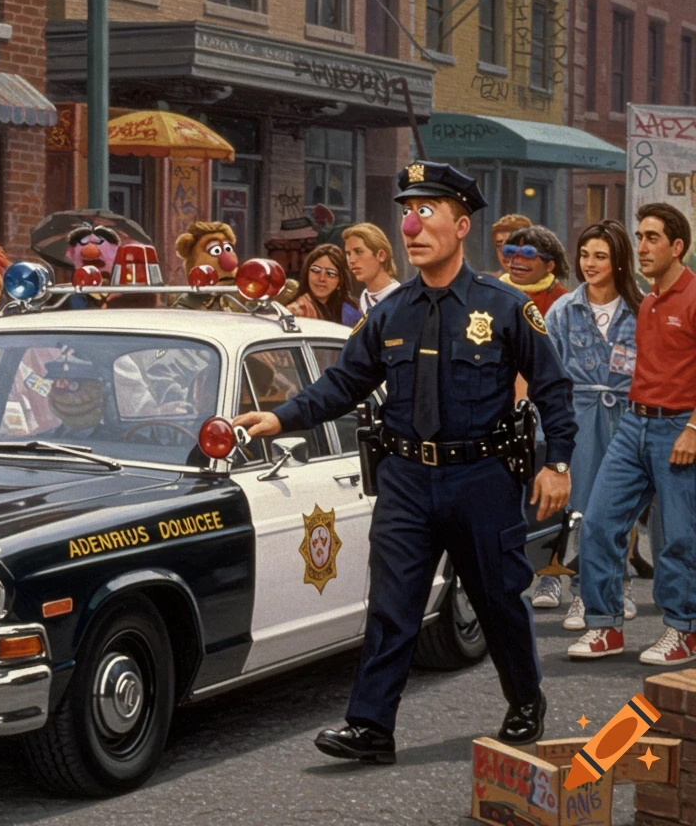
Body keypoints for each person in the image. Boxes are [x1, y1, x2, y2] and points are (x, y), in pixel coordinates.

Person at [235, 161, 575, 763]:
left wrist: (559, 464)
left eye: (426, 212)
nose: (411, 227)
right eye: (407, 215)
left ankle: (525, 701)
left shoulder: (503, 306)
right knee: (392, 607)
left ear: (461, 225)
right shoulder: (389, 314)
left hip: (481, 478)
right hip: (407, 480)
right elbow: (343, 383)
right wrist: (282, 417)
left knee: (498, 601)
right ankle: (370, 727)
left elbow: (552, 386)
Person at [568, 202, 696, 665]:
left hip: (678, 427)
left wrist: (693, 428)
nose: (641, 246)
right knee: (598, 522)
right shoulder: (648, 301)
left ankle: (684, 631)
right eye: (639, 236)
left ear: (677, 246)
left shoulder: (693, 296)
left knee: (678, 537)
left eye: (651, 238)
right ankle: (605, 626)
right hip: (633, 423)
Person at [533, 221, 644, 621]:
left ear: (619, 261)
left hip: (627, 417)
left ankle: (618, 585)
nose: (590, 263)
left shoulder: (641, 309)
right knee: (578, 508)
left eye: (600, 256)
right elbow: (546, 373)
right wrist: (546, 429)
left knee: (618, 508)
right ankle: (582, 590)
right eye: (584, 255)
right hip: (578, 416)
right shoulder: (564, 310)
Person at [501, 225, 570, 315]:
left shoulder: (562, 300)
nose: (517, 260)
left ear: (549, 266)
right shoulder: (493, 291)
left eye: (528, 253)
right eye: (511, 251)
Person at [286, 243, 362, 326]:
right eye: (315, 270)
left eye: (330, 273)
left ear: (340, 281)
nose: (321, 278)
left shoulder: (348, 310)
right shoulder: (296, 312)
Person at [343, 223, 400, 313]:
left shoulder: (400, 298)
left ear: (381, 255)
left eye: (358, 252)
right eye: (348, 254)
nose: (351, 260)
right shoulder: (365, 296)